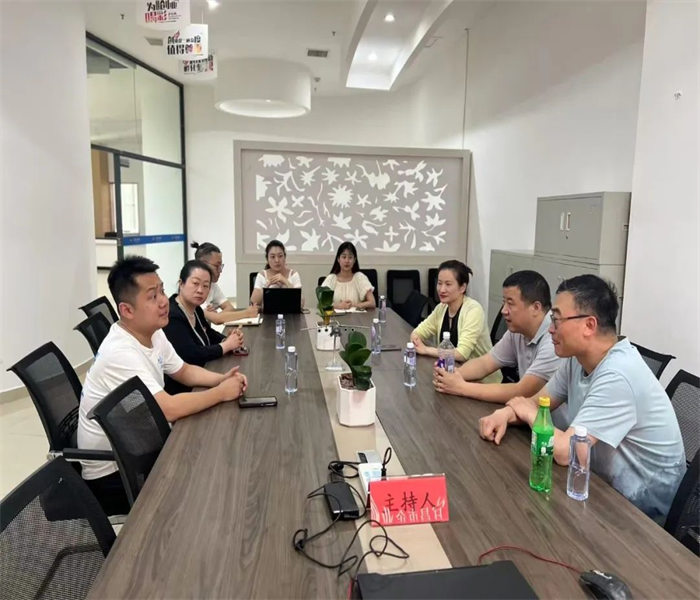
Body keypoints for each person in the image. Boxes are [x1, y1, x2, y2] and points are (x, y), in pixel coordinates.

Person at [479, 274, 685, 520]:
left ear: (589, 325)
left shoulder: (619, 374)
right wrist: (504, 414)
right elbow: (539, 402)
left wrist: (527, 411)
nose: (550, 329)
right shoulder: (577, 360)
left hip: (639, 516)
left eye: (556, 320)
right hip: (594, 487)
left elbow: (566, 451)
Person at [77, 256, 248, 516]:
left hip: (138, 443)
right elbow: (168, 409)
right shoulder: (120, 352)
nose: (163, 302)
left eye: (162, 291)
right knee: (210, 479)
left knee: (215, 456)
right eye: (152, 296)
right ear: (127, 310)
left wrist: (221, 379)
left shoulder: (153, 332)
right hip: (115, 473)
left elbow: (184, 371)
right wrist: (221, 393)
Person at [434, 270, 562, 402]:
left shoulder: (554, 339)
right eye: (504, 302)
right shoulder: (517, 331)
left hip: (546, 415)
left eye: (510, 304)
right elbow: (485, 364)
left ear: (535, 308)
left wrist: (461, 387)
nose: (503, 310)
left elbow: (523, 391)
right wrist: (451, 375)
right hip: (525, 409)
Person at [163, 260, 246, 394]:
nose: (200, 290)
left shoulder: (196, 309)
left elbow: (208, 333)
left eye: (206, 286)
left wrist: (227, 338)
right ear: (181, 283)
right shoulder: (172, 316)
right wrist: (226, 346)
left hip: (204, 374)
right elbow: (191, 355)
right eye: (195, 283)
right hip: (184, 389)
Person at [411, 260, 498, 382]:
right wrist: (416, 340)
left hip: (480, 382)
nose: (442, 289)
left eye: (448, 284)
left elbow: (461, 354)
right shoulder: (441, 308)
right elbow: (417, 333)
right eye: (439, 283)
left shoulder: (473, 310)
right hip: (451, 374)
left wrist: (426, 350)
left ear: (462, 287)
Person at [191, 241, 258, 325]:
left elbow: (230, 308)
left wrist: (217, 316)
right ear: (203, 264)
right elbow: (217, 320)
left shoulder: (213, 286)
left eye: (221, 266)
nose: (220, 271)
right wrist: (247, 313)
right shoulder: (193, 288)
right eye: (216, 266)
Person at [320, 242, 376, 309]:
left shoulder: (360, 278)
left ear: (354, 260)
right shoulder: (331, 279)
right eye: (344, 257)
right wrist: (339, 306)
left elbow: (372, 303)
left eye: (350, 257)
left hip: (357, 315)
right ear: (338, 259)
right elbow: (322, 304)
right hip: (335, 315)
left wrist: (353, 305)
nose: (347, 261)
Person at [249, 239, 303, 307]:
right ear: (267, 259)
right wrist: (267, 285)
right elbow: (253, 303)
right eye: (272, 257)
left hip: (290, 313)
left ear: (285, 257)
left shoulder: (293, 274)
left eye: (280, 256)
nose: (277, 260)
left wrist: (286, 282)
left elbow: (301, 304)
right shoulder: (262, 275)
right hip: (267, 313)